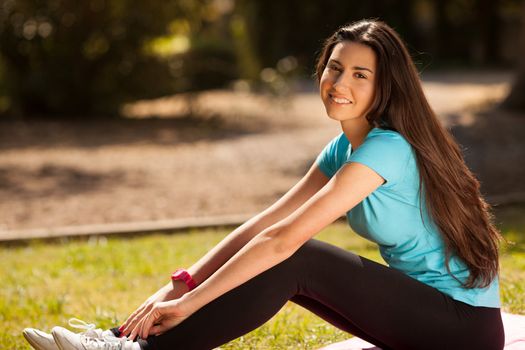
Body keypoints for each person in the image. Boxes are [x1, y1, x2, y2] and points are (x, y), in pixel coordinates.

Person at [23, 19, 505, 350]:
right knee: (288, 258)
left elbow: (282, 240)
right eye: (335, 67)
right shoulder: (344, 147)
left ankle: (135, 348)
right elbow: (266, 221)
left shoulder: (389, 148)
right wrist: (177, 286)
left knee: (299, 256)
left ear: (385, 87)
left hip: (460, 328)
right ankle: (122, 339)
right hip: (423, 314)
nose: (340, 82)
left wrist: (189, 305)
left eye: (361, 74)